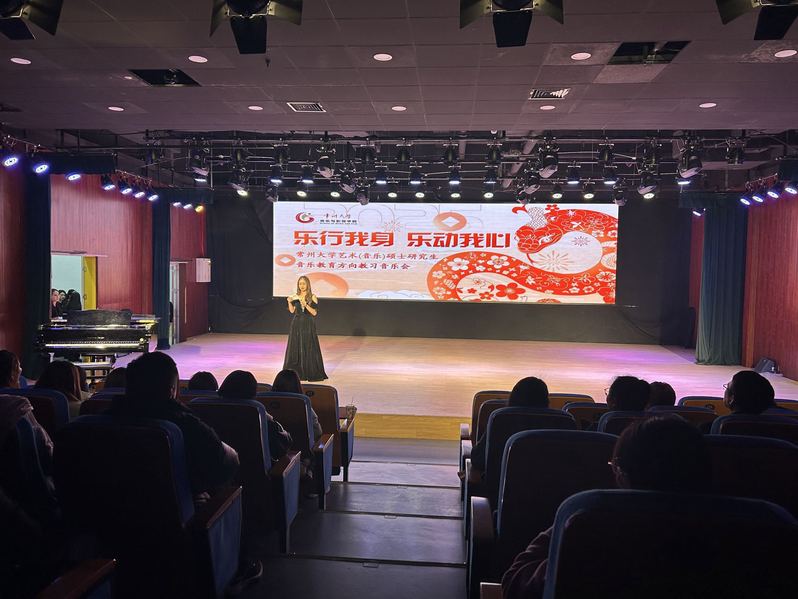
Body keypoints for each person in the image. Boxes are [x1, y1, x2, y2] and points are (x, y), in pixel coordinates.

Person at [502, 415, 711, 599]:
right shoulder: (725, 529)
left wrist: (565, 523)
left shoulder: (589, 524)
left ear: (622, 476)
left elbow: (516, 583)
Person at [106, 352, 239, 498]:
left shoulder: (99, 420)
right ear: (171, 391)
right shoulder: (186, 425)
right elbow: (225, 467)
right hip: (171, 511)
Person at [470, 377, 549, 472]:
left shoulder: (500, 419)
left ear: (513, 398)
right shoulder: (557, 421)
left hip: (498, 481)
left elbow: (478, 459)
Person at [218, 370, 293, 461]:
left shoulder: (210, 412)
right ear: (253, 394)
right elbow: (282, 446)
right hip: (254, 468)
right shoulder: (260, 417)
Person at [283, 276, 327, 381]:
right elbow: (292, 311)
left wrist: (305, 304)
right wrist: (289, 302)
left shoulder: (312, 297)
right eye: (300, 284)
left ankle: (309, 371)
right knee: (296, 346)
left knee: (308, 346)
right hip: (297, 324)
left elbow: (314, 313)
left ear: (307, 284)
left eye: (303, 283)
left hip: (308, 324)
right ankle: (297, 372)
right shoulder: (295, 296)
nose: (301, 286)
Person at [272, 369, 323, 443]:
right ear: (297, 386)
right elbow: (317, 432)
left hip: (275, 448)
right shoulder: (304, 406)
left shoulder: (265, 404)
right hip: (302, 448)